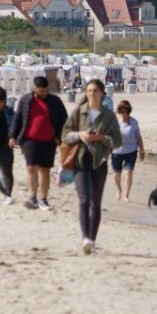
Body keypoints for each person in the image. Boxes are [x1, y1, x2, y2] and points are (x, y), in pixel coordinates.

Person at [62, 80, 122, 255]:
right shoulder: (79, 112)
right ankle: (85, 239)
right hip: (79, 160)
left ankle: (92, 239)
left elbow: (117, 141)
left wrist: (101, 138)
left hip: (99, 162)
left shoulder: (109, 116)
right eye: (89, 91)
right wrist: (80, 135)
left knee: (95, 203)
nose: (92, 94)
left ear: (102, 93)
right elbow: (65, 135)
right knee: (83, 200)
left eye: (95, 91)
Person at [9, 75, 69, 212]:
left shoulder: (55, 101)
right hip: (29, 140)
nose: (44, 93)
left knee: (45, 171)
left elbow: (64, 120)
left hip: (49, 141)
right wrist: (12, 136)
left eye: (46, 90)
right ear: (35, 89)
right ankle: (32, 197)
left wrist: (59, 137)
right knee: (31, 168)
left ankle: (44, 199)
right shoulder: (25, 100)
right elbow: (17, 119)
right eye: (41, 91)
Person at [111, 100, 145, 202]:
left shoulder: (134, 122)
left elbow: (138, 137)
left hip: (131, 151)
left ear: (129, 111)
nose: (124, 113)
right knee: (116, 174)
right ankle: (118, 189)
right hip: (117, 151)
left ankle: (126, 195)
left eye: (126, 111)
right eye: (122, 111)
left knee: (129, 172)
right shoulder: (115, 122)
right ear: (119, 112)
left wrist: (142, 150)